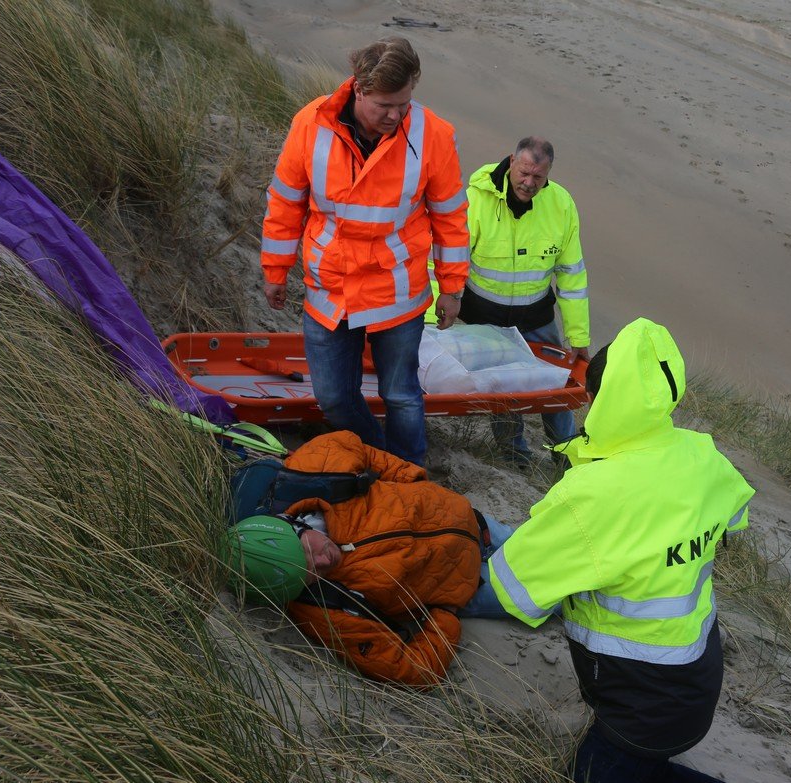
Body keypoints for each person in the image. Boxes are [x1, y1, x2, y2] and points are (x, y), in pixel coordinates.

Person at [487, 317, 755, 782]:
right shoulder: (704, 454)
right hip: (700, 676)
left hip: (642, 707)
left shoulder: (591, 495)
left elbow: (513, 589)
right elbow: (733, 521)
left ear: (598, 398)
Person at [260, 37, 470, 467]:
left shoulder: (433, 135)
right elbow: (285, 202)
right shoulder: (310, 125)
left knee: (402, 396)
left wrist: (452, 287)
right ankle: (381, 462)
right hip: (329, 287)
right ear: (358, 89)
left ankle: (409, 475)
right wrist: (275, 269)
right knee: (334, 397)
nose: (396, 115)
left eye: (404, 104)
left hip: (398, 290)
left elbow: (450, 216)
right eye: (385, 106)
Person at [222, 430, 513, 686]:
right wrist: (445, 615)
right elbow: (410, 668)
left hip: (473, 519)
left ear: (293, 524)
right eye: (309, 574)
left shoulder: (311, 474)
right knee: (551, 594)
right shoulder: (324, 609)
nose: (322, 562)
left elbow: (354, 445)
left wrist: (413, 480)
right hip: (469, 582)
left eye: (307, 550)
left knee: (554, 546)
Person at [459, 137, 591, 467]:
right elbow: (447, 262)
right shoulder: (477, 199)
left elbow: (572, 277)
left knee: (555, 388)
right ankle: (514, 457)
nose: (529, 183)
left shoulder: (561, 205)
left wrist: (578, 337)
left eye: (538, 178)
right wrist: (433, 316)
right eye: (524, 173)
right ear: (511, 162)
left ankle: (567, 457)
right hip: (485, 319)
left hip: (537, 319)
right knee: (504, 391)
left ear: (548, 176)